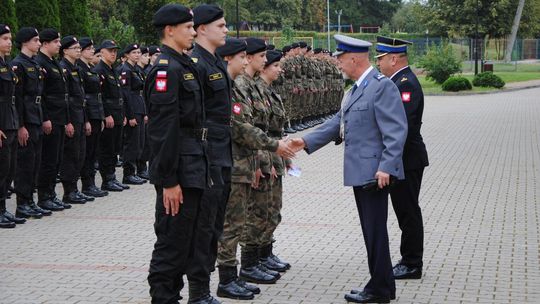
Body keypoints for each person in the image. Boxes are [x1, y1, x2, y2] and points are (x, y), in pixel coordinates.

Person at [288, 34, 408, 303]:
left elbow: (396, 131)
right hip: (360, 172)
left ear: (354, 58)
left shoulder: (381, 87)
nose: (338, 64)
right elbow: (336, 123)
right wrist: (304, 140)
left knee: (375, 231)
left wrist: (386, 167)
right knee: (371, 231)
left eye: (341, 59)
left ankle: (379, 290)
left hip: (375, 174)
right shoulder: (356, 89)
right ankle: (383, 285)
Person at [146, 4, 216, 304]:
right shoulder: (166, 69)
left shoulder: (183, 65)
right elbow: (163, 131)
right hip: (179, 172)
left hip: (194, 165)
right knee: (172, 244)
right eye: (187, 27)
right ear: (169, 30)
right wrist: (169, 181)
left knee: (187, 241)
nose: (193, 31)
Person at [216, 38, 294, 300]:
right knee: (236, 223)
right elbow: (242, 129)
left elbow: (260, 126)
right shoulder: (236, 86)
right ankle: (231, 276)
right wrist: (268, 155)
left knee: (257, 214)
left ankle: (251, 264)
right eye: (258, 56)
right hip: (239, 162)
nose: (263, 61)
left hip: (250, 159)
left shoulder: (244, 88)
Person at [375, 36, 429, 280]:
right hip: (404, 159)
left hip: (407, 160)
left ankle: (412, 263)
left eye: (381, 58)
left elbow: (401, 127)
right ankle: (409, 260)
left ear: (393, 59)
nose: (378, 63)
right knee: (405, 211)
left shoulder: (404, 84)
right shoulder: (396, 81)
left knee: (408, 212)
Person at [190, 5, 233, 298]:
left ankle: (204, 289)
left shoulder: (215, 62)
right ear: (202, 28)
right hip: (207, 157)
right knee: (203, 227)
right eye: (221, 25)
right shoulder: (196, 63)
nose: (226, 29)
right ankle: (198, 291)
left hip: (222, 154)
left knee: (215, 225)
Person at [254, 50, 291, 272]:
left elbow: (274, 131)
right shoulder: (255, 90)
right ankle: (254, 260)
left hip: (273, 156)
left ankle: (265, 253)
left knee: (273, 209)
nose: (280, 69)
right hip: (262, 157)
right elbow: (257, 132)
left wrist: (283, 158)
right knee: (260, 211)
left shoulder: (269, 91)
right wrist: (260, 163)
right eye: (276, 66)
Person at [12, 27, 50, 219]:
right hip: (26, 118)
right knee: (25, 164)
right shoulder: (18, 65)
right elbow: (17, 98)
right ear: (25, 42)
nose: (38, 43)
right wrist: (20, 125)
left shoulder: (34, 64)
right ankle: (22, 203)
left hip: (37, 115)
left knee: (35, 162)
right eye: (35, 40)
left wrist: (43, 118)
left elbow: (39, 95)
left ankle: (30, 201)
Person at [35, 28, 71, 211]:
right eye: (56, 42)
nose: (59, 45)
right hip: (50, 118)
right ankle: (43, 197)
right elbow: (42, 94)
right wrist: (46, 118)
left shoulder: (53, 62)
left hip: (60, 117)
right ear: (45, 43)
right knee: (48, 160)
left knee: (56, 159)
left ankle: (51, 194)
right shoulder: (40, 63)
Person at [59, 35, 93, 204]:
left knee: (80, 154)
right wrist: (68, 121)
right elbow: (65, 98)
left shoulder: (76, 69)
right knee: (70, 155)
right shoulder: (63, 68)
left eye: (80, 48)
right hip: (71, 116)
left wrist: (86, 120)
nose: (79, 50)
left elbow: (81, 98)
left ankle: (75, 189)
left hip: (80, 115)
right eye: (75, 48)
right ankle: (68, 191)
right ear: (65, 51)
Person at [0, 24, 26, 228]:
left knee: (9, 169)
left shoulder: (6, 63)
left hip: (10, 120)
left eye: (9, 38)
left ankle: (2, 209)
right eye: (5, 38)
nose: (9, 42)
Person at [94, 39, 129, 192]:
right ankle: (107, 180)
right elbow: (100, 96)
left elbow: (119, 93)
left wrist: (123, 115)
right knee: (107, 148)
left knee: (115, 147)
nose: (113, 53)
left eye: (115, 51)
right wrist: (106, 115)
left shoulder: (113, 70)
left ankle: (112, 177)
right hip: (109, 114)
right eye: (110, 51)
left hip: (118, 112)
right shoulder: (99, 70)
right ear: (101, 52)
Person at [77, 37, 108, 198]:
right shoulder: (80, 69)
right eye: (88, 49)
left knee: (92, 152)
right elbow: (83, 97)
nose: (91, 51)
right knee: (87, 152)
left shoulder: (89, 68)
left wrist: (101, 116)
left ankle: (91, 184)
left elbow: (97, 95)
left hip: (96, 113)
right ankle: (86, 184)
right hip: (88, 113)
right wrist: (87, 119)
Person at [118, 43, 147, 185]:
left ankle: (135, 171)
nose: (137, 55)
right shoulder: (125, 70)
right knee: (132, 143)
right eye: (134, 52)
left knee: (139, 143)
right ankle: (128, 174)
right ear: (127, 55)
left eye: (138, 52)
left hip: (139, 106)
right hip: (133, 109)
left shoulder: (136, 69)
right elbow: (126, 94)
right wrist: (130, 115)